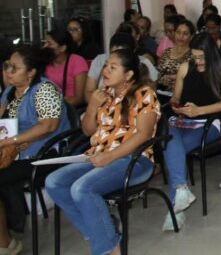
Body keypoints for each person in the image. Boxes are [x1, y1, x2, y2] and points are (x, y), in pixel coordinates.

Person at [46, 50, 160, 255]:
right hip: (98, 156)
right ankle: (103, 232)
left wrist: (109, 157)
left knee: (82, 189)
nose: (105, 71)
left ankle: (107, 248)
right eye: (106, 65)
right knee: (54, 182)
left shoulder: (143, 94)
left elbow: (143, 135)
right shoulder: (103, 94)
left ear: (128, 75)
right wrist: (92, 107)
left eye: (112, 67)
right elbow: (88, 131)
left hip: (134, 160)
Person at [0, 45, 70, 253]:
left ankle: (6, 243)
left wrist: (10, 141)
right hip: (12, 150)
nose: (8, 72)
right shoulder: (10, 91)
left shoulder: (44, 90)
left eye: (15, 68)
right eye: (7, 66)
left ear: (31, 72)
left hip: (43, 154)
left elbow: (48, 126)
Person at [163, 33, 221, 229]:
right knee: (170, 139)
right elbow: (174, 97)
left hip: (208, 124)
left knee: (172, 150)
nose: (199, 62)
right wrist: (177, 106)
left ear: (211, 53)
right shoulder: (186, 68)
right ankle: (180, 190)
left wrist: (199, 110)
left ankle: (175, 210)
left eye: (202, 57)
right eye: (195, 57)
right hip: (181, 122)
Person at [84, 32, 158, 103]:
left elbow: (152, 92)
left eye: (113, 67)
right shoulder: (100, 60)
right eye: (113, 53)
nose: (106, 71)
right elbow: (89, 91)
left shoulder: (144, 63)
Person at [43, 28, 89, 107]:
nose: (45, 46)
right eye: (45, 43)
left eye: (49, 44)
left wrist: (54, 106)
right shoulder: (45, 62)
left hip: (69, 107)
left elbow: (79, 98)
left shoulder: (77, 62)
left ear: (63, 48)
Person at [156, 18, 194, 93]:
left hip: (183, 94)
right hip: (161, 91)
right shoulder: (167, 51)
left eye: (185, 33)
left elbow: (194, 79)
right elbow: (159, 73)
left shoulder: (193, 55)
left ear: (191, 36)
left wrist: (178, 78)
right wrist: (164, 79)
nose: (181, 36)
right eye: (178, 32)